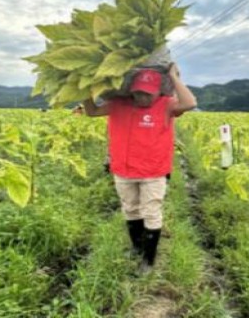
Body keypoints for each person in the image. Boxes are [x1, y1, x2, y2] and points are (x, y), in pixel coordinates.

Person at [83, 62, 197, 273]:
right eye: (138, 93)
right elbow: (91, 111)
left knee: (151, 212)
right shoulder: (118, 104)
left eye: (148, 94)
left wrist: (173, 77)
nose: (143, 98)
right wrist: (80, 86)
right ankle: (136, 248)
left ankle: (148, 260)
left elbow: (190, 103)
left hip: (153, 172)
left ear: (157, 92)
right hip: (123, 170)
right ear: (131, 91)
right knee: (131, 209)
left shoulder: (166, 105)